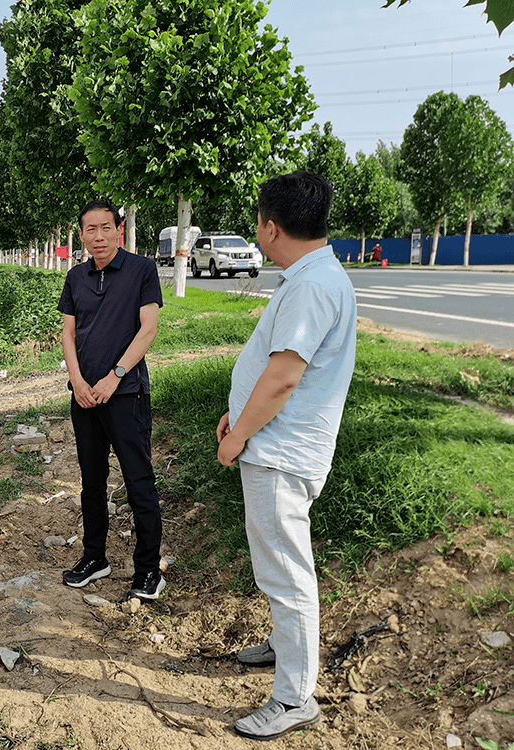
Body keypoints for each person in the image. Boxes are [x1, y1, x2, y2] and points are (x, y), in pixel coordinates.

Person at [216, 171, 356, 741]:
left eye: (257, 222)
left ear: (271, 228)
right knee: (278, 565)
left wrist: (236, 435)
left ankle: (295, 698)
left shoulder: (310, 285)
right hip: (274, 441)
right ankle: (283, 647)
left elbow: (282, 378)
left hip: (280, 450)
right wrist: (239, 413)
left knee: (287, 573)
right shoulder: (315, 274)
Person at [58, 201, 164, 601]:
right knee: (91, 481)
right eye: (90, 229)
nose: (98, 236)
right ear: (81, 234)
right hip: (84, 397)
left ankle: (148, 570)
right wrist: (78, 381)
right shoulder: (75, 277)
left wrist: (114, 377)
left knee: (138, 481)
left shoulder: (142, 270)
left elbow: (148, 329)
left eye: (106, 228)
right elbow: (68, 334)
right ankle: (94, 557)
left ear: (119, 230)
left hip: (126, 395)